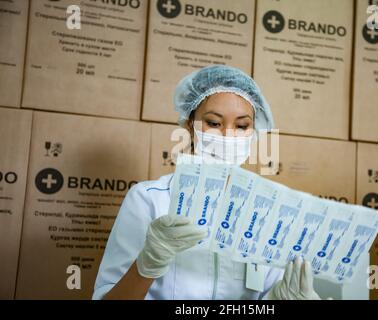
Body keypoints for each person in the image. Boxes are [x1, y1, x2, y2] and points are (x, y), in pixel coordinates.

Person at [92, 65, 321, 300]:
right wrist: (146, 265)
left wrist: (281, 298)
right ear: (190, 125)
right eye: (213, 123)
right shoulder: (149, 199)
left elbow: (266, 294)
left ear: (253, 132)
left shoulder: (265, 211)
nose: (228, 136)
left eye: (242, 126)